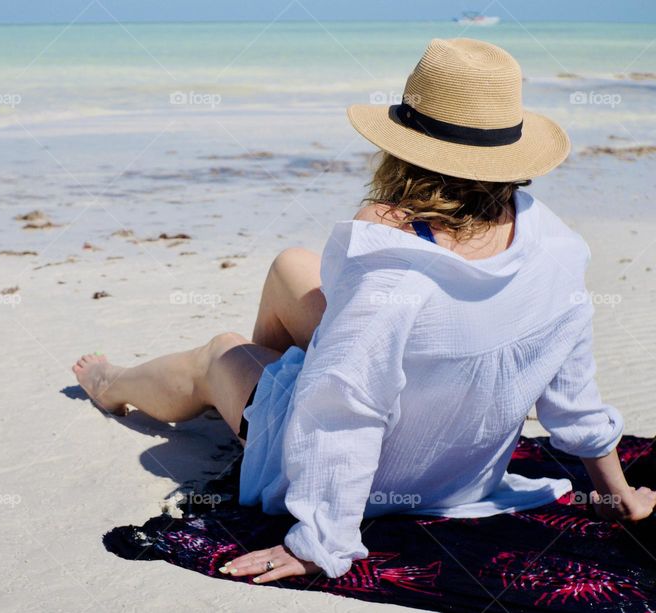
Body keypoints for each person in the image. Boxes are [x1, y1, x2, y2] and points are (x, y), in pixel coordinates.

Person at [72, 38, 656, 582]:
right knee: (289, 267)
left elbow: (346, 405)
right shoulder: (555, 245)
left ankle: (115, 384)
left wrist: (321, 540)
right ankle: (264, 403)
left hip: (378, 481)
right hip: (461, 470)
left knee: (219, 354)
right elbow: (572, 390)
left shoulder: (391, 260)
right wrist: (614, 491)